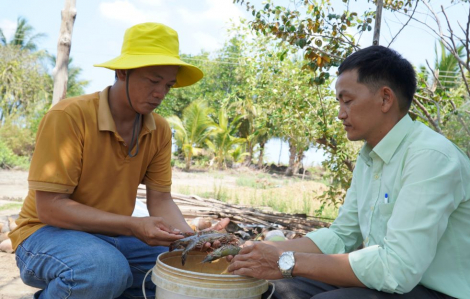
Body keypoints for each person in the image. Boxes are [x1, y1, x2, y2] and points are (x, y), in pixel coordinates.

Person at [227, 46, 470, 299]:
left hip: (436, 290)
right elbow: (342, 236)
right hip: (389, 281)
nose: (341, 113)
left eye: (348, 101)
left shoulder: (430, 156)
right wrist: (260, 251)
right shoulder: (369, 156)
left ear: (385, 99)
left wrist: (287, 260)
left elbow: (397, 269)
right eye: (339, 102)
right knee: (272, 290)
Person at [9, 22, 227, 299]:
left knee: (185, 270)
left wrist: (192, 239)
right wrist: (132, 225)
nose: (160, 93)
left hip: (113, 237)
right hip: (45, 233)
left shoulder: (158, 130)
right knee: (103, 272)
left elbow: (160, 199)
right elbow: (50, 209)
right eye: (152, 80)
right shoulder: (69, 117)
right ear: (122, 72)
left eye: (168, 85)